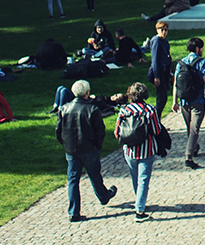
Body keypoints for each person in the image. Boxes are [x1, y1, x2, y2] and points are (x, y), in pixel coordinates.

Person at [56, 79, 116, 222]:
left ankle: (73, 212)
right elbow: (100, 131)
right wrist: (98, 146)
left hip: (71, 150)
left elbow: (58, 131)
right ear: (87, 93)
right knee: (94, 175)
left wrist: (66, 145)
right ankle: (103, 196)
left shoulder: (64, 109)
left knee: (73, 180)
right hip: (89, 148)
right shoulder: (92, 109)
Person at [114, 82, 162, 222]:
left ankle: (139, 201)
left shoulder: (124, 110)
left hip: (129, 150)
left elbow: (117, 132)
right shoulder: (150, 110)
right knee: (144, 180)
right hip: (146, 150)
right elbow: (156, 130)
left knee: (135, 178)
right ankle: (140, 210)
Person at [175, 37, 205, 169]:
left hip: (184, 100)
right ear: (197, 48)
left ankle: (194, 147)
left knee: (189, 127)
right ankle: (188, 156)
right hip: (198, 100)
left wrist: (175, 102)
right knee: (194, 128)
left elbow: (176, 84)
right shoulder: (202, 63)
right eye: (201, 48)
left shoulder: (180, 63)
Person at [147, 22, 174, 119]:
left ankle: (157, 120)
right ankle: (156, 121)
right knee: (161, 99)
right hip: (159, 73)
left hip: (165, 72)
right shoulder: (156, 41)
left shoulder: (165, 41)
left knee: (164, 98)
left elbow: (168, 58)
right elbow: (155, 60)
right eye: (161, 29)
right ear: (157, 30)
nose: (164, 32)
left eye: (165, 30)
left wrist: (171, 72)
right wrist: (156, 76)